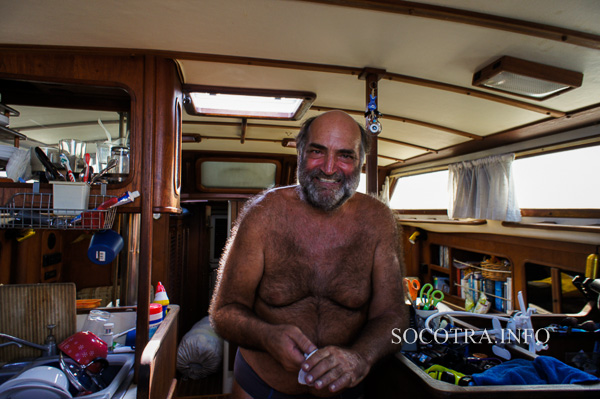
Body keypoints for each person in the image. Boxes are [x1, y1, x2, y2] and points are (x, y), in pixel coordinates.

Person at [210, 110, 407, 398]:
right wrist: (267, 337)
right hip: (261, 385)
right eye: (317, 151)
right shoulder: (262, 216)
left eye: (345, 156)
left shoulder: (379, 221)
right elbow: (223, 313)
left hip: (345, 389)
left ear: (360, 163)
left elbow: (394, 315)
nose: (329, 168)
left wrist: (360, 358)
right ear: (300, 153)